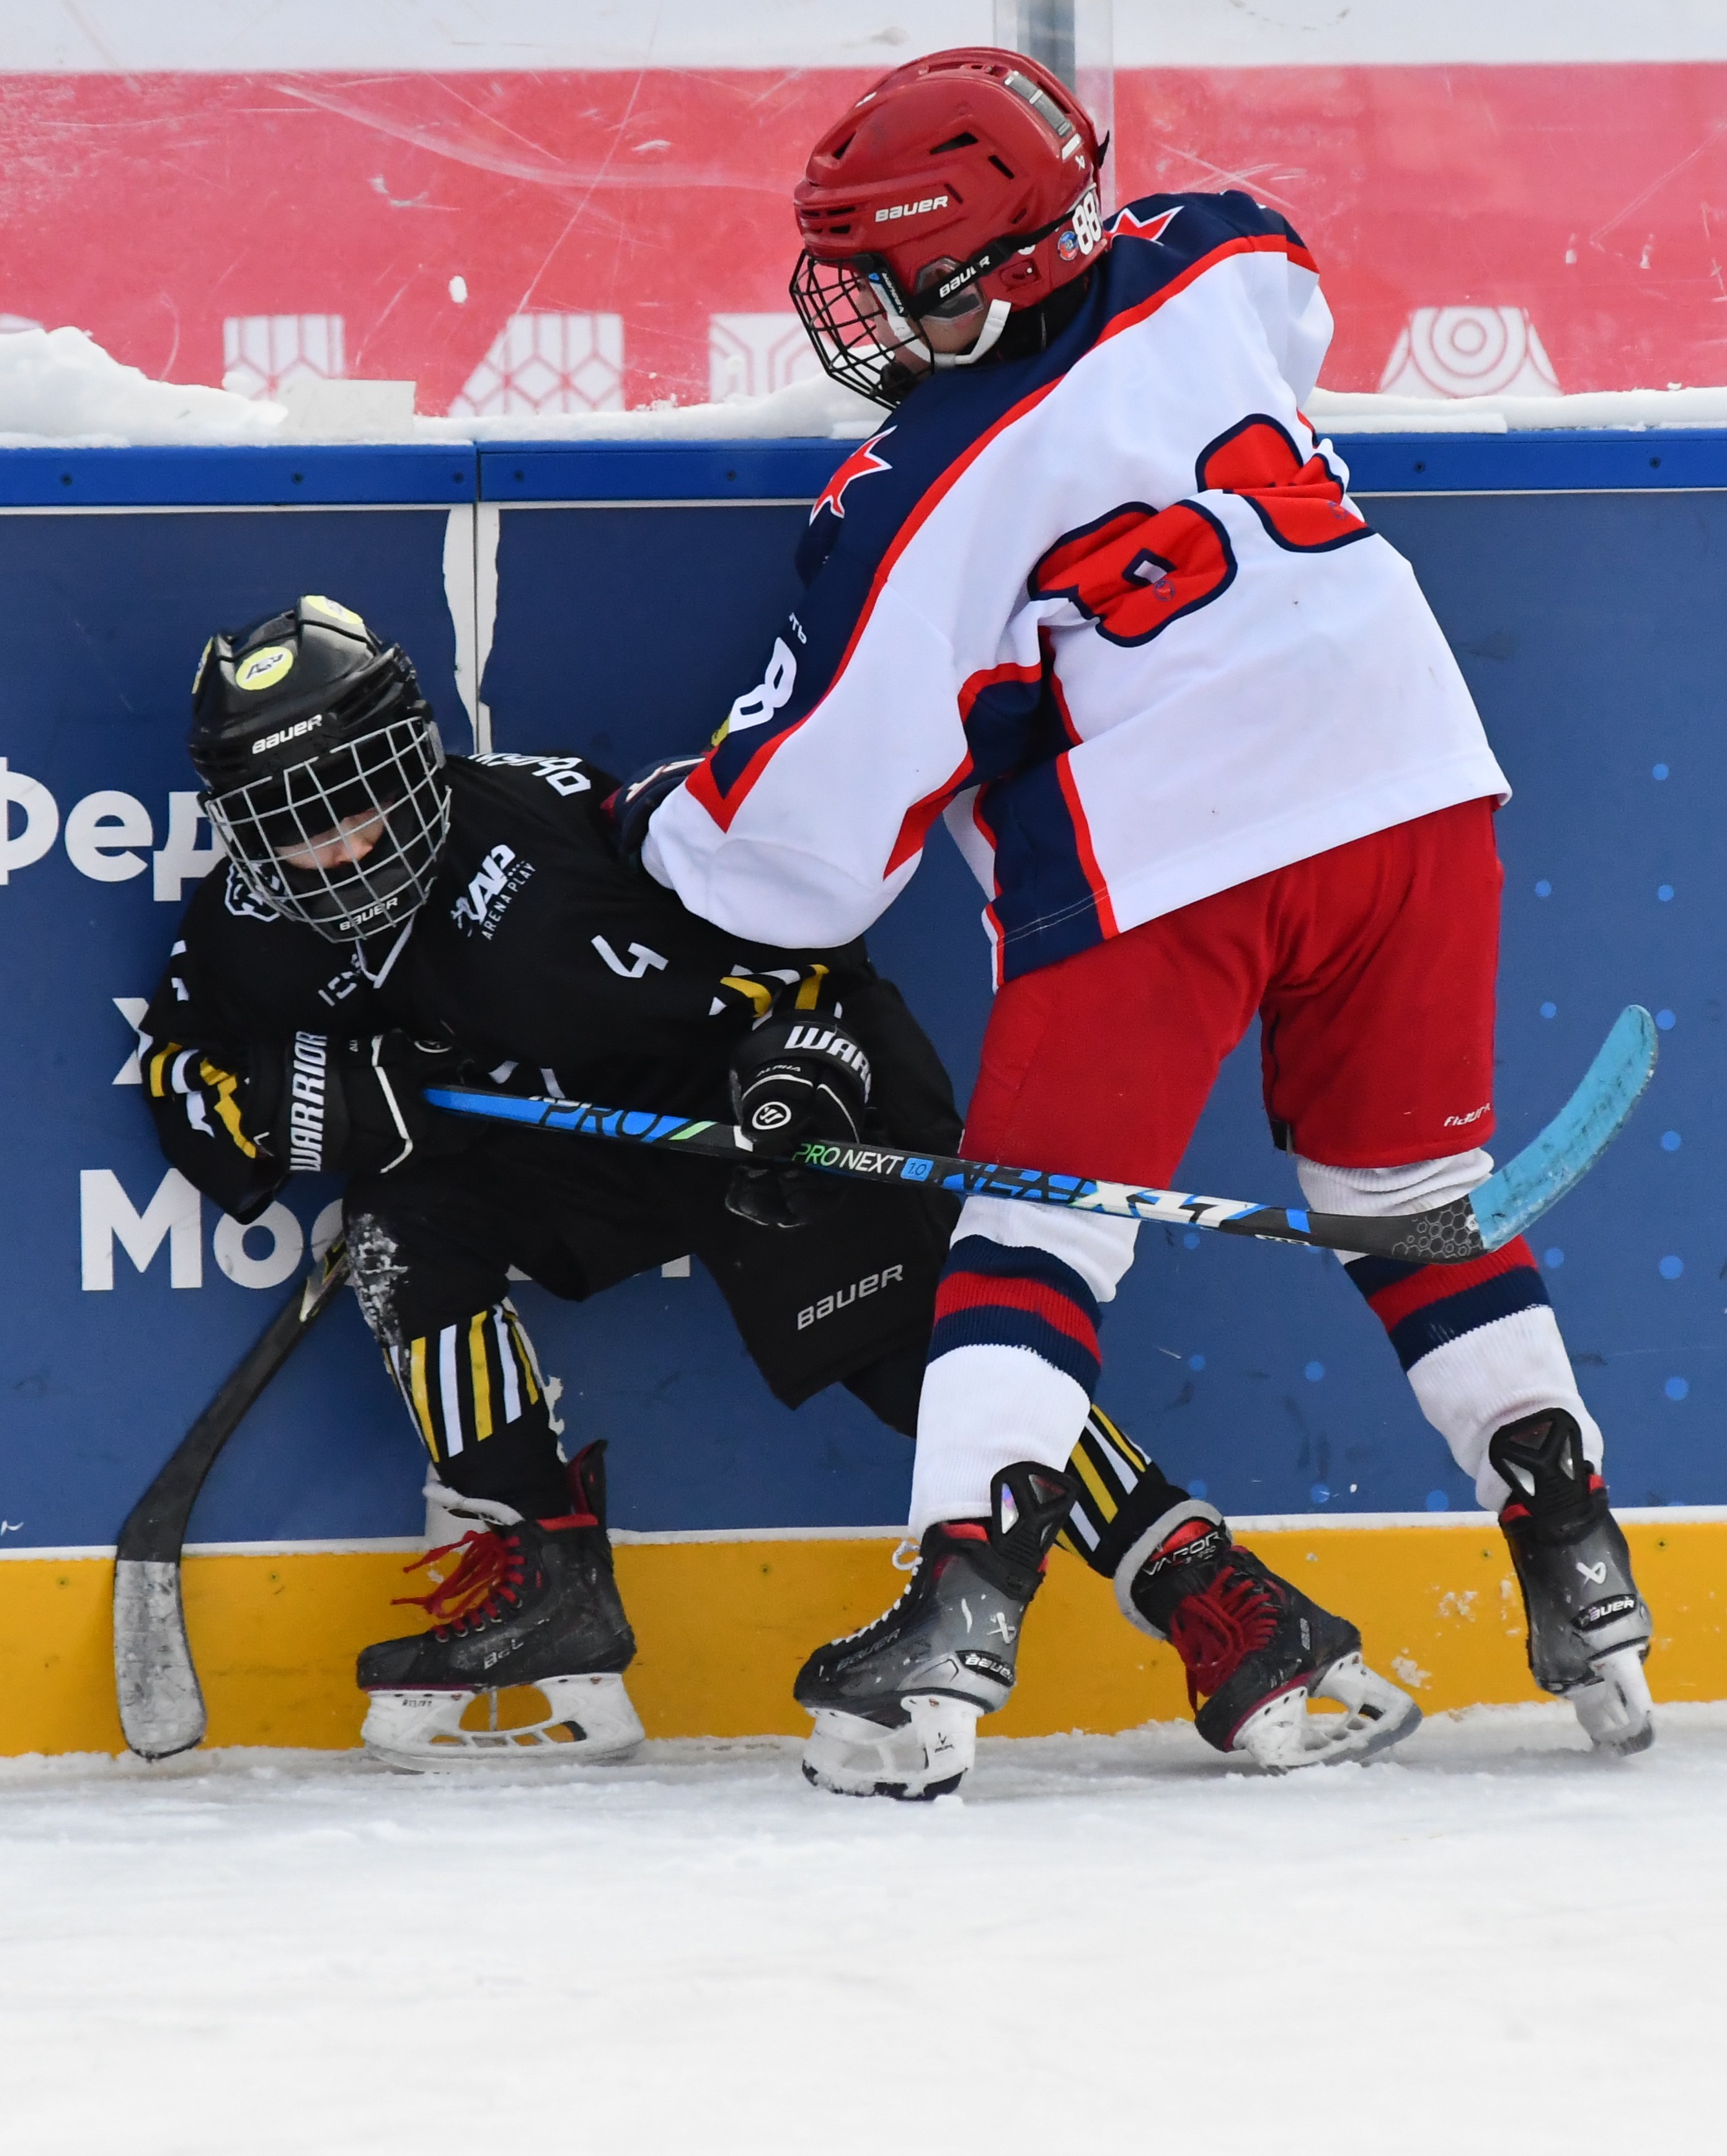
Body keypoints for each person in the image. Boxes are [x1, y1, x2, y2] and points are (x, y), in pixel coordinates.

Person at [624, 45, 1655, 1793]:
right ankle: (1578, 1556)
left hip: (1171, 853)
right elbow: (1289, 310)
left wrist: (664, 828)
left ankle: (945, 1642)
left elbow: (802, 853)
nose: (858, 312)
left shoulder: (923, 488)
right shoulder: (1220, 256)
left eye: (887, 273)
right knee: (1404, 1207)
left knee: (1034, 1239)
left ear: (988, 266)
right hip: (1415, 786)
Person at [140, 593, 1413, 1780]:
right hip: (590, 1140)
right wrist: (315, 1096)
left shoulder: (539, 846)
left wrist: (797, 1076)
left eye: (359, 795)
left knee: (925, 1365)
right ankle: (546, 1587)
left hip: (777, 1103)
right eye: (293, 820)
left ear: (416, 752)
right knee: (409, 1235)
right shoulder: (248, 927)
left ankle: (1222, 1597)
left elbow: (795, 947)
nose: (341, 843)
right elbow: (184, 1078)